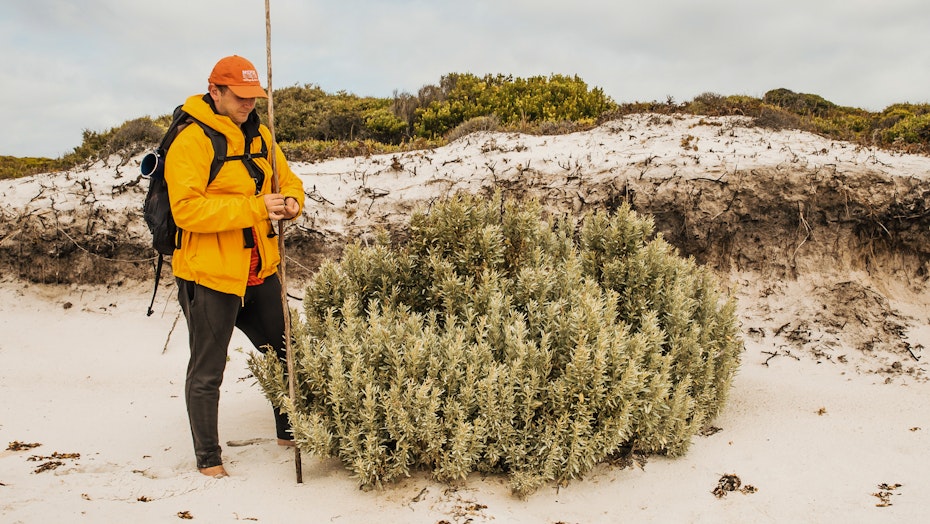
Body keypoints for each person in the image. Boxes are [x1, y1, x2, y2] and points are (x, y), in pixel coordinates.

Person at [165, 55, 305, 478]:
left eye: (253, 96)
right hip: (208, 274)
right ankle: (209, 460)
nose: (248, 104)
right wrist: (255, 207)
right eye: (240, 96)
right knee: (208, 368)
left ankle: (289, 432)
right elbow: (186, 211)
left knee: (286, 353)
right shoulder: (190, 141)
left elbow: (288, 179)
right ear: (216, 92)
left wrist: (293, 203)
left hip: (259, 268)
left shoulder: (261, 134)